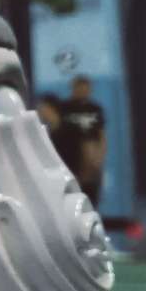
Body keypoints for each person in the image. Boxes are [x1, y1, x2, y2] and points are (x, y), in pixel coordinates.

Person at [59, 75, 107, 206]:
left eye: (86, 88)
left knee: (91, 196)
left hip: (91, 160)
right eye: (80, 87)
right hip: (70, 158)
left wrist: (99, 158)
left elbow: (101, 135)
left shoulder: (95, 109)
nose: (83, 91)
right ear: (73, 88)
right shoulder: (63, 108)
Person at [35, 93, 77, 170]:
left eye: (41, 108)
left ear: (51, 108)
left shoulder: (69, 132)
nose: (38, 112)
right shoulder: (45, 132)